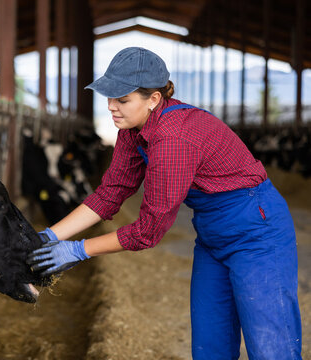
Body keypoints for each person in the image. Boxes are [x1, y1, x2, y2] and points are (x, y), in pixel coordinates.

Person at [27, 47, 301, 359]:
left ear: (154, 99)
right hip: (212, 236)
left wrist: (80, 249)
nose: (111, 108)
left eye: (122, 99)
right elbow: (109, 194)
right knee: (210, 346)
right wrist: (50, 236)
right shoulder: (133, 130)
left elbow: (149, 231)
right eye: (109, 97)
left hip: (256, 232)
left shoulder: (173, 138)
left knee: (269, 347)